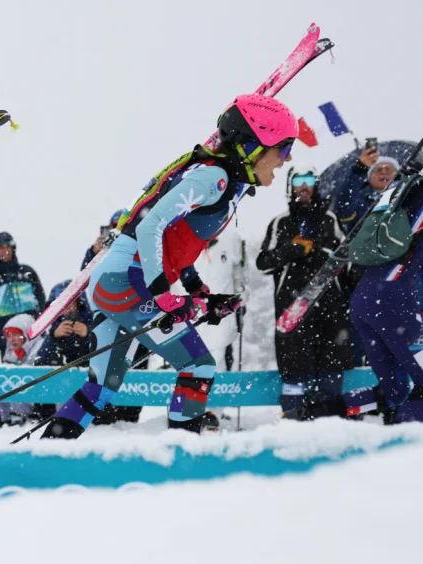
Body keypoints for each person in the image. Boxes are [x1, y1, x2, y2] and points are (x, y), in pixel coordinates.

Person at [45, 94, 294, 438]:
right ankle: (183, 452)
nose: (287, 158)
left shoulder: (223, 181)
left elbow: (173, 243)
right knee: (199, 367)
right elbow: (150, 226)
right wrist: (162, 293)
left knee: (102, 387)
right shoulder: (213, 179)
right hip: (126, 280)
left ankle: (49, 453)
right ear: (252, 148)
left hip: (116, 280)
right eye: (282, 149)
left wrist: (198, 291)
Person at [286, 169, 423, 422]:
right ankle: (410, 453)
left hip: (367, 301)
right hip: (400, 302)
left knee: (395, 391)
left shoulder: (404, 192)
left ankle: (307, 415)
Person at [257, 165, 356, 415]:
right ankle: (293, 420)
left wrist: (321, 254)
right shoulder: (280, 222)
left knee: (331, 366)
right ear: (290, 187)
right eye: (298, 181)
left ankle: (328, 419)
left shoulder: (330, 219)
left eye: (309, 180)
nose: (303, 186)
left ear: (316, 185)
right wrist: (291, 250)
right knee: (294, 368)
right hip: (293, 308)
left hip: (330, 306)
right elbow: (263, 263)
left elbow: (347, 258)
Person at [0, 232, 46, 357]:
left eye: (7, 247)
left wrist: (40, 319)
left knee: (37, 357)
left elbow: (41, 297)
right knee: (10, 363)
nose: (5, 251)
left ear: (13, 248)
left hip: (31, 324)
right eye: (0, 248)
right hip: (5, 329)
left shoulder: (27, 272)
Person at [334, 144, 400, 232]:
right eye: (378, 170)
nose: (383, 173)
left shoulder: (409, 193)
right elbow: (343, 212)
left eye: (389, 169)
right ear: (369, 177)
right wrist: (360, 169)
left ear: (397, 174)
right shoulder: (358, 200)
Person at [33, 281, 94, 366]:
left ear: (79, 303)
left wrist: (88, 335)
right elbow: (39, 362)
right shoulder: (54, 327)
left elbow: (105, 357)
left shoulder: (94, 322)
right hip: (60, 378)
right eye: (61, 303)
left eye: (70, 301)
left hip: (88, 377)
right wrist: (54, 337)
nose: (67, 307)